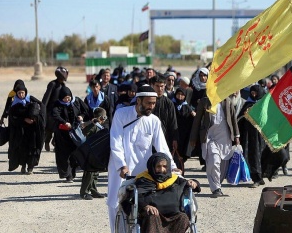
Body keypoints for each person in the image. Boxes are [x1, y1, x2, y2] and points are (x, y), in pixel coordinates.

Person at [107, 85, 178, 233]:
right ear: (138, 101)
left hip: (142, 174)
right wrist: (121, 165)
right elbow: (116, 141)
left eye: (154, 103)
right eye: (148, 103)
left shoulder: (154, 121)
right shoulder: (121, 114)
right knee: (115, 204)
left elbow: (162, 147)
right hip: (121, 171)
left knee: (138, 208)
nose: (151, 106)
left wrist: (172, 167)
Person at [135, 153, 201, 233]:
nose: (162, 170)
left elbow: (187, 183)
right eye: (158, 166)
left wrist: (194, 182)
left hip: (173, 214)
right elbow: (136, 196)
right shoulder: (144, 180)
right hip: (153, 215)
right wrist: (145, 206)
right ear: (152, 167)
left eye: (164, 166)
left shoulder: (174, 179)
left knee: (183, 217)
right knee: (153, 216)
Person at [189, 96, 240, 197]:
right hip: (210, 136)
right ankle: (216, 188)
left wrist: (237, 136)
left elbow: (233, 118)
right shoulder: (204, 101)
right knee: (213, 160)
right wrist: (193, 137)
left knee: (223, 163)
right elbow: (197, 120)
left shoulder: (227, 101)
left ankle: (218, 183)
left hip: (224, 135)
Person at [52, 86, 89, 182]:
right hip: (62, 134)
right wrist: (64, 122)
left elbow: (85, 110)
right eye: (65, 98)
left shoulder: (76, 101)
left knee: (75, 153)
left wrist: (81, 116)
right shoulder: (57, 104)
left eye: (68, 97)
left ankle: (73, 172)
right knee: (64, 155)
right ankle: (68, 175)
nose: (67, 100)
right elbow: (55, 115)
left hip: (75, 133)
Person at [7, 83, 46, 174]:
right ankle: (23, 166)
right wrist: (24, 119)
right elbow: (13, 118)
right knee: (23, 149)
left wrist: (35, 119)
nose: (21, 95)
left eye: (23, 93)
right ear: (16, 93)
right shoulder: (14, 104)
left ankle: (30, 167)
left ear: (26, 92)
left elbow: (41, 108)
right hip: (21, 131)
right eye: (19, 93)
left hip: (33, 130)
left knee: (33, 147)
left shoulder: (31, 99)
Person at [237, 85, 266, 188]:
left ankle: (261, 176)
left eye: (255, 93)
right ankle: (256, 179)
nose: (253, 94)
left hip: (262, 136)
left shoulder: (264, 104)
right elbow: (239, 119)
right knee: (253, 156)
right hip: (250, 136)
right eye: (252, 92)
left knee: (262, 157)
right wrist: (245, 114)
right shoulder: (248, 103)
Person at [79, 107, 107, 200]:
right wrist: (93, 123)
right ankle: (84, 192)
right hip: (91, 153)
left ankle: (93, 189)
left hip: (98, 153)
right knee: (89, 173)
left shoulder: (101, 126)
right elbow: (85, 131)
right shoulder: (94, 125)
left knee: (95, 173)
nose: (104, 119)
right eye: (103, 117)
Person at [150, 76, 179, 152]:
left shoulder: (168, 103)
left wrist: (174, 139)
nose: (160, 89)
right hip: (148, 138)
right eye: (157, 86)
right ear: (152, 85)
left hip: (164, 138)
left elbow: (173, 122)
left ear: (165, 86)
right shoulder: (147, 102)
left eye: (162, 86)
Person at [172, 87, 195, 163]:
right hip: (173, 131)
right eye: (178, 94)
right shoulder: (171, 104)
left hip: (184, 132)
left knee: (183, 151)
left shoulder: (186, 106)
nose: (180, 96)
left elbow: (193, 116)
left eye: (182, 95)